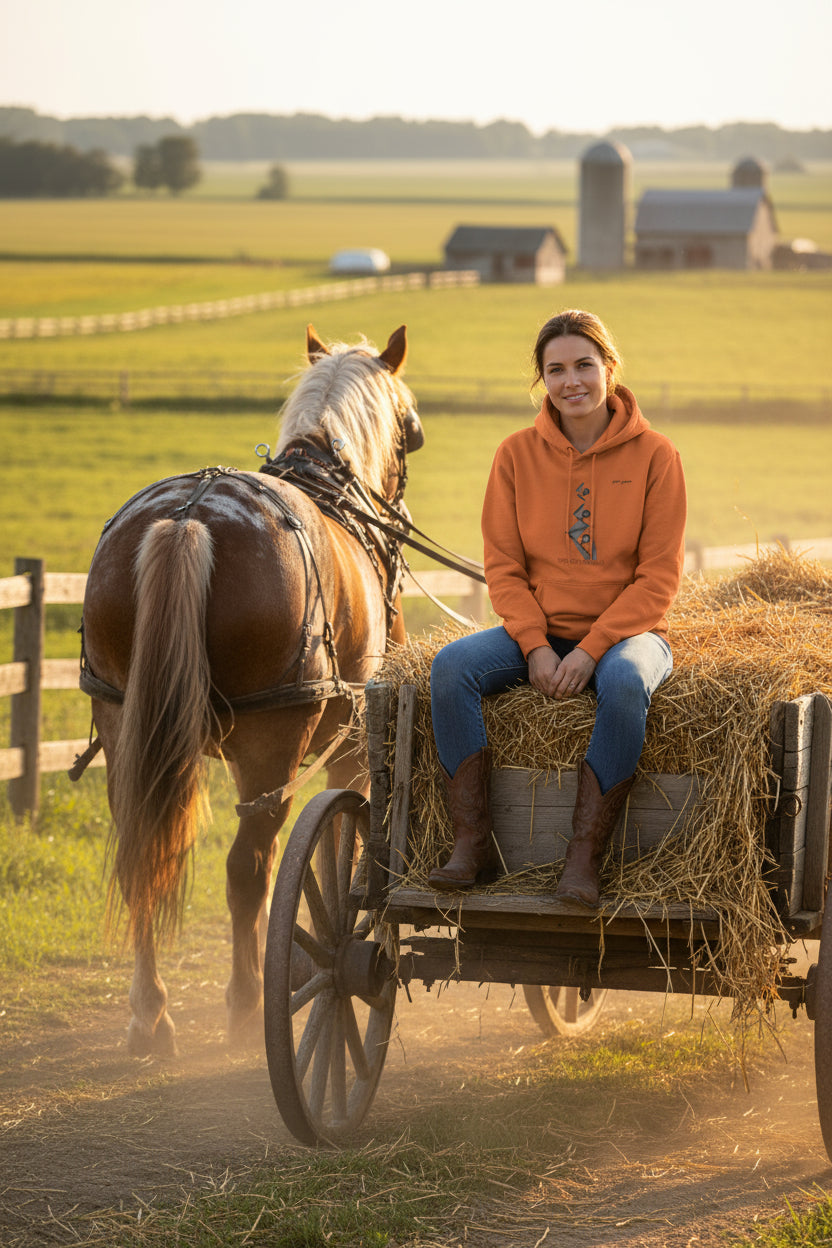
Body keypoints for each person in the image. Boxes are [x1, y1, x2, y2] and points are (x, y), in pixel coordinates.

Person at [428, 309, 687, 906]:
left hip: (629, 634)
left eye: (584, 366)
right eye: (556, 370)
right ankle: (472, 845)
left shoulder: (656, 455)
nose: (572, 382)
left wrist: (594, 649)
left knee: (624, 682)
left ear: (610, 369)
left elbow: (658, 578)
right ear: (541, 380)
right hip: (541, 630)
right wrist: (535, 645)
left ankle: (582, 859)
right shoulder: (515, 455)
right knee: (450, 667)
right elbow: (505, 568)